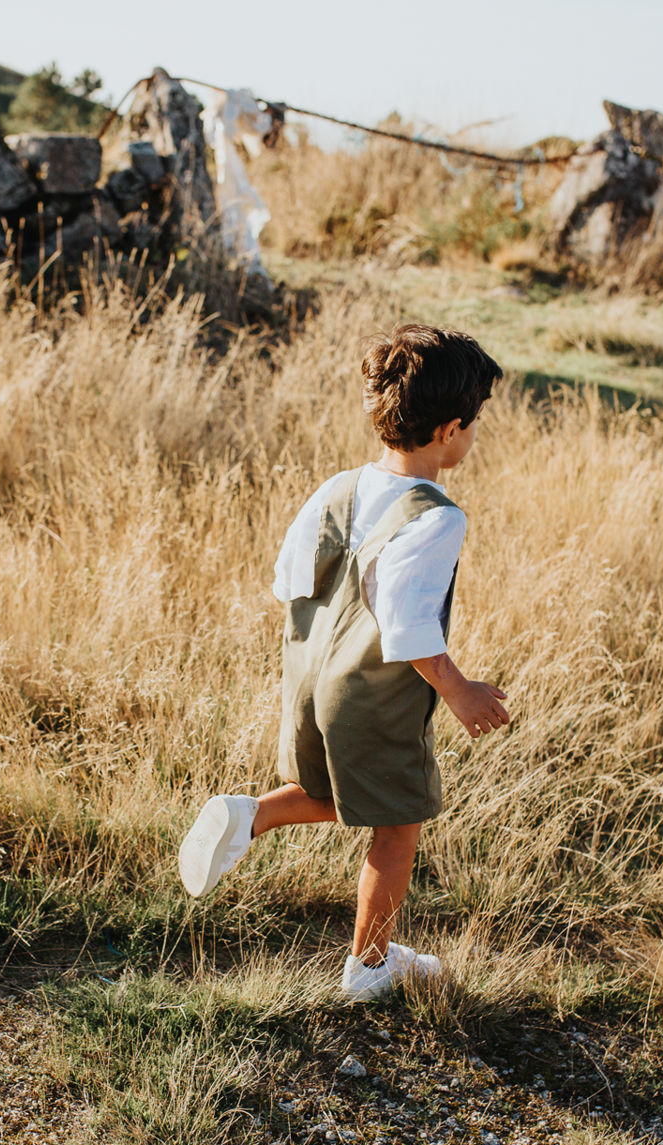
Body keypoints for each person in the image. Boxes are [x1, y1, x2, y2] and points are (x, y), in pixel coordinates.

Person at [176, 323, 509, 1001]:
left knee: (340, 790)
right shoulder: (437, 516)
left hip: (306, 675)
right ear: (450, 430)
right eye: (473, 425)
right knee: (398, 823)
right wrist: (460, 689)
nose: (473, 436)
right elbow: (409, 623)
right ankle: (371, 965)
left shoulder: (341, 488)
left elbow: (286, 579)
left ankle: (250, 816)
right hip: (372, 690)